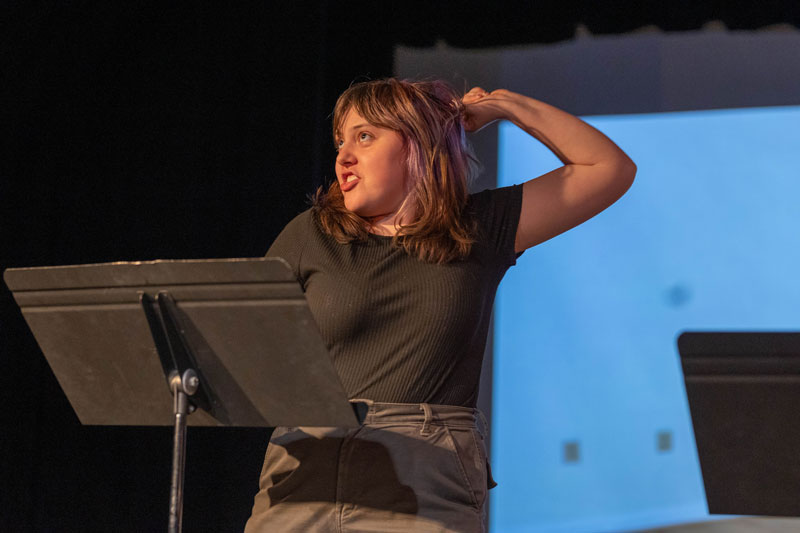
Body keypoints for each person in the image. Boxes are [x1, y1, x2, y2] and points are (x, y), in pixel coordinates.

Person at [245, 78, 636, 532]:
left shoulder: (479, 228)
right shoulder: (311, 234)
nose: (343, 156)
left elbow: (607, 167)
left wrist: (506, 106)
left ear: (417, 144)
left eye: (365, 136)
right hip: (306, 468)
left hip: (424, 470)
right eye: (340, 141)